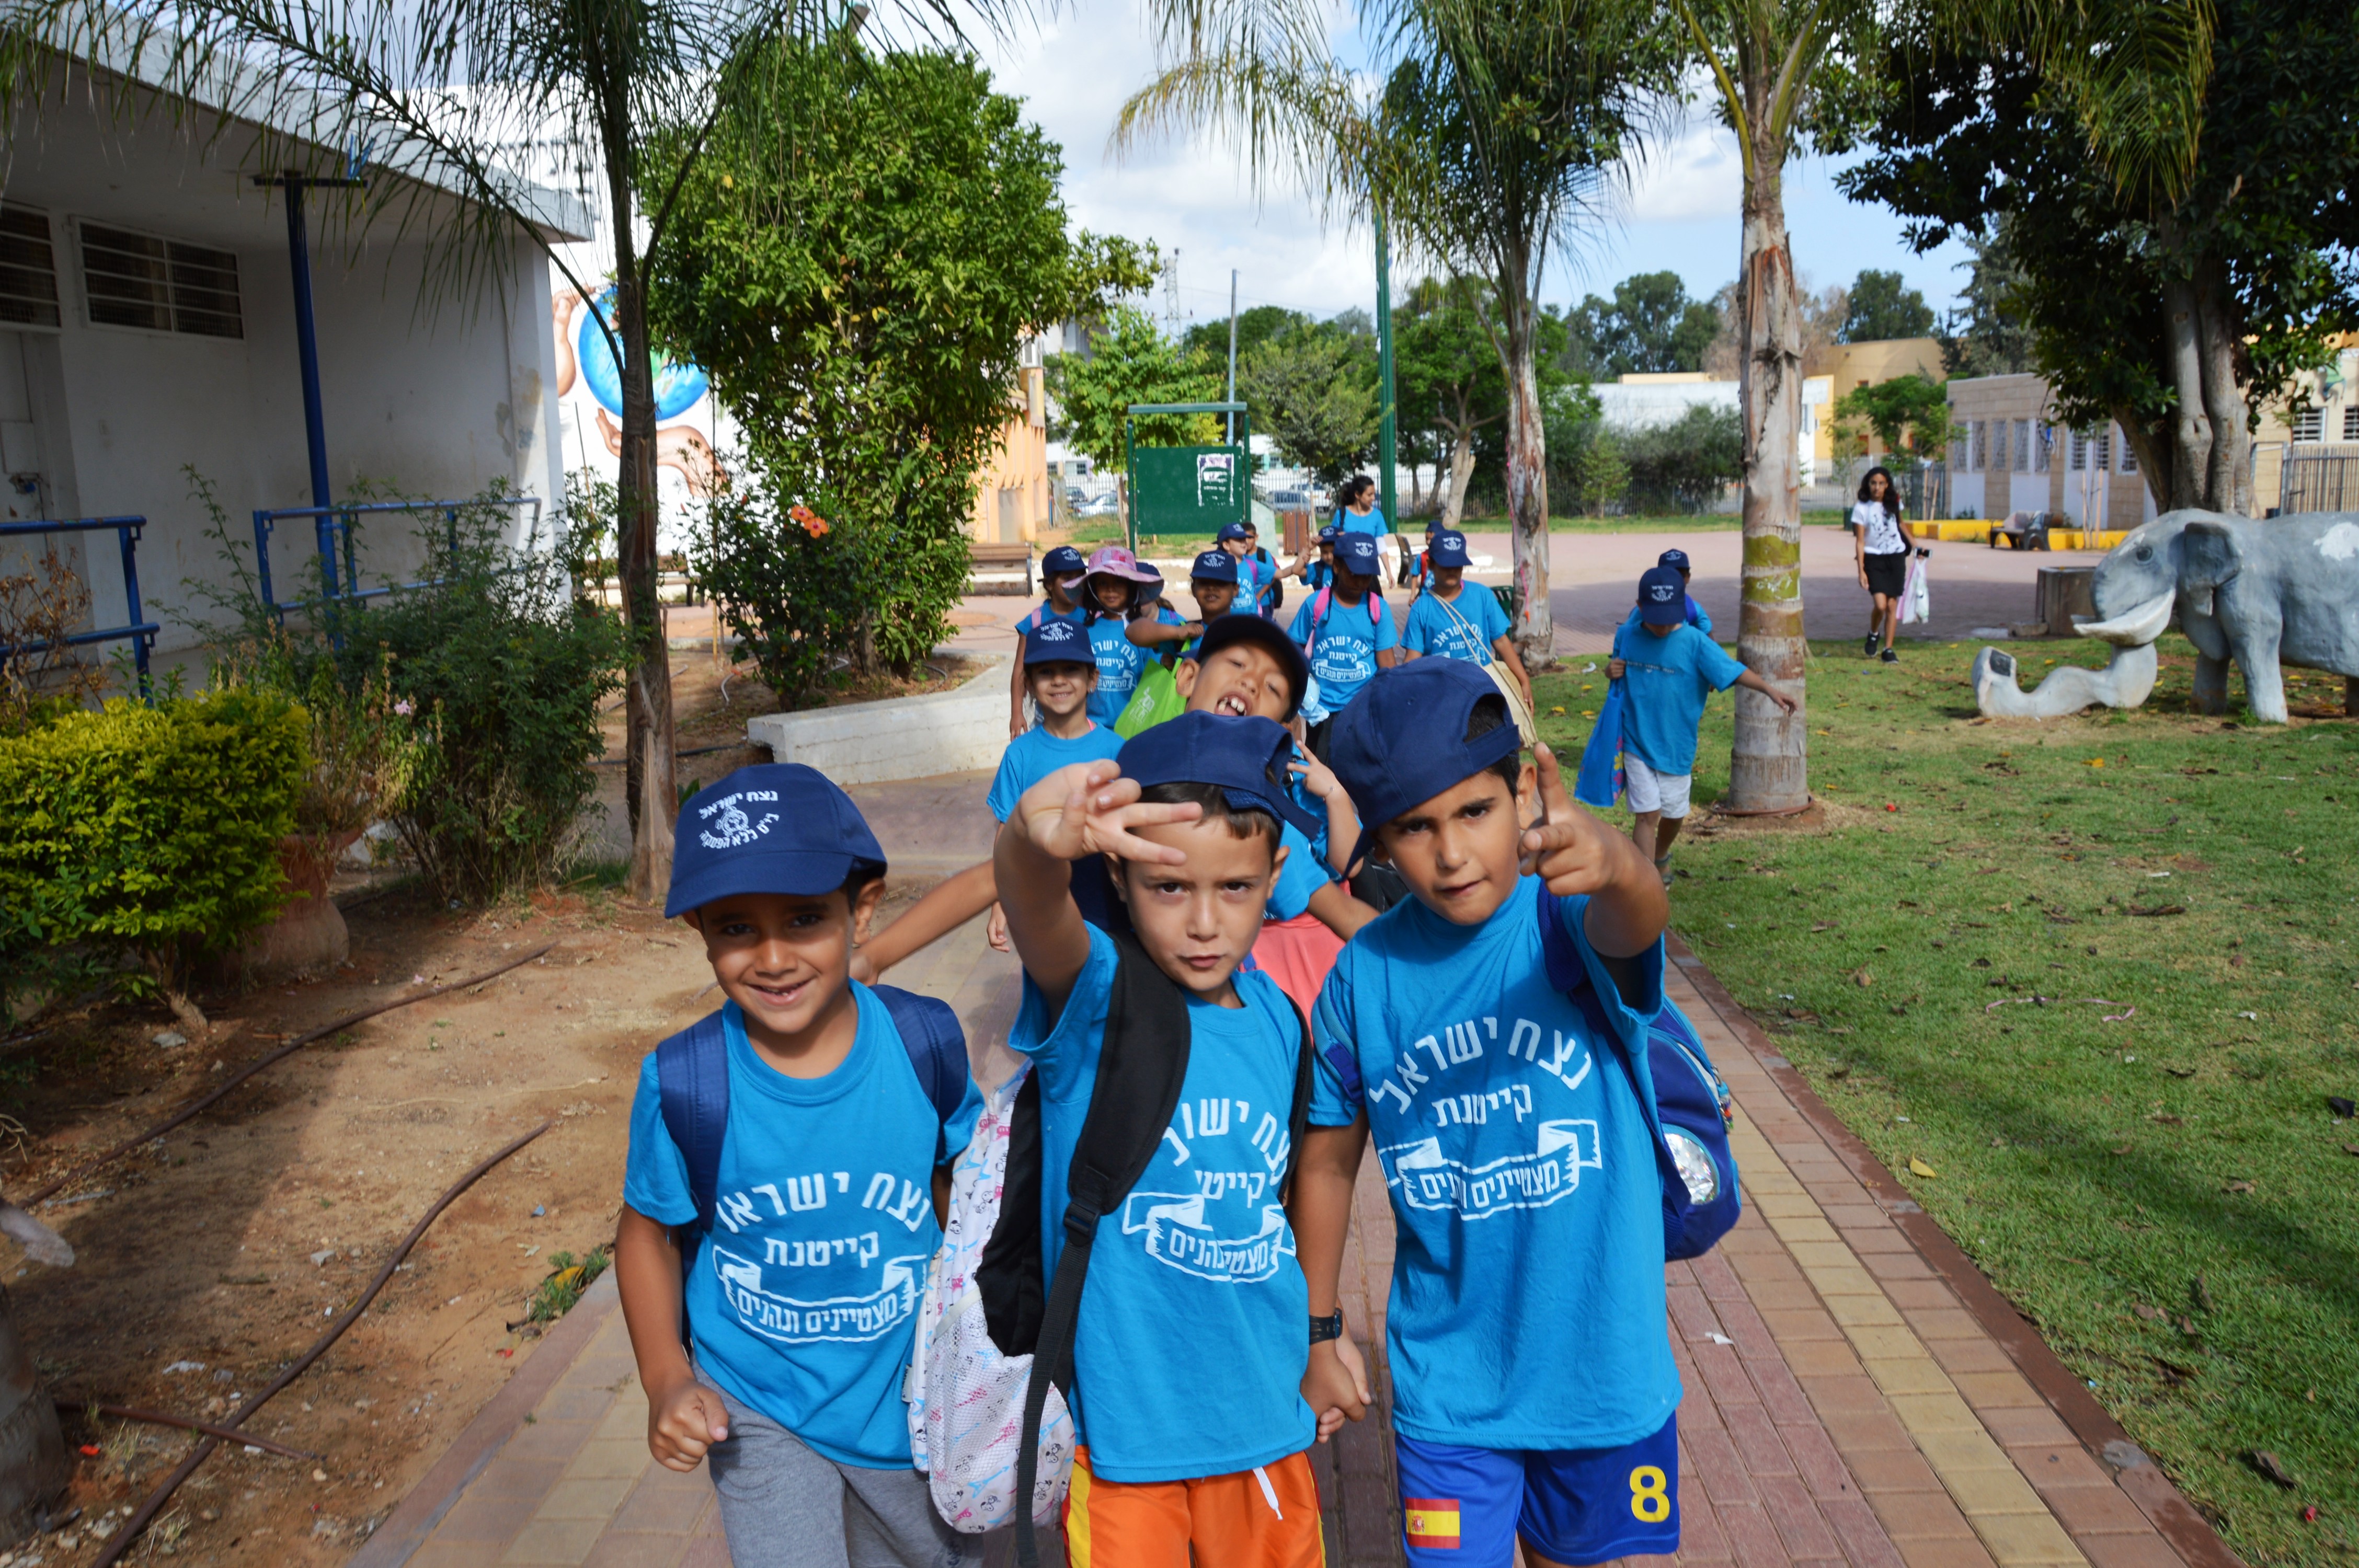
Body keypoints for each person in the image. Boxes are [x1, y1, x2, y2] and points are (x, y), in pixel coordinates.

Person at [1288, 656, 1679, 1568]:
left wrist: (1620, 865)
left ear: (1522, 795)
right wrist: (1317, 1332)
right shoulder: (1363, 978)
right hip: (1449, 1380)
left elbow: (1636, 922)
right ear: (1380, 844)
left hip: (1598, 1370)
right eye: (1415, 828)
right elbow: (1327, 1163)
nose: (1453, 854)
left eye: (1474, 812)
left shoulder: (1565, 922)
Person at [616, 765, 985, 1568]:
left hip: (909, 1393)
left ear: (863, 909)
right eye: (737, 928)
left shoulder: (923, 1043)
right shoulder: (686, 1081)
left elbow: (968, 1187)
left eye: (806, 918)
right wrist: (666, 1378)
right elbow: (646, 1233)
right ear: (701, 930)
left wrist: (995, 1322)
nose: (774, 956)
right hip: (757, 1404)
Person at [993, 713, 1336, 1565]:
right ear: (1119, 873)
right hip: (1124, 1442)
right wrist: (1028, 845)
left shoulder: (1280, 1020)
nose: (1205, 924)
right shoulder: (1095, 997)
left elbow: (1280, 1204)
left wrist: (1319, 1342)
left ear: (1275, 876)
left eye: (1236, 888)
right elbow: (1035, 909)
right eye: (1170, 888)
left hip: (1263, 1423)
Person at [1606, 567, 1800, 886]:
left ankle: (1661, 854)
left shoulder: (1695, 642)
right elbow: (1616, 671)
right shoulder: (1627, 635)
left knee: (1674, 813)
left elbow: (1733, 670)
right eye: (1656, 618)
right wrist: (1610, 670)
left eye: (1670, 618)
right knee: (1647, 814)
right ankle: (1646, 885)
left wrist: (1770, 690)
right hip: (1636, 741)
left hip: (1676, 747)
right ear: (1639, 608)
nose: (1663, 626)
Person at [990, 620, 1126, 822]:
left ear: (1092, 679)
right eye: (1046, 672)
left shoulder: (1117, 749)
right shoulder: (1018, 755)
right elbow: (1006, 834)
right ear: (1029, 684)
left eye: (1071, 669)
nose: (1059, 681)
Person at [1288, 532, 1400, 759]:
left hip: (1362, 711)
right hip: (1321, 712)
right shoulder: (1316, 604)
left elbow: (1387, 664)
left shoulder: (1378, 609)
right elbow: (1293, 652)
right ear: (1337, 568)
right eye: (1354, 573)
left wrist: (1392, 706)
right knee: (1321, 767)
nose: (1361, 581)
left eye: (1367, 575)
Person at [1400, 529, 1533, 708]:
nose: (1452, 570)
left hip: (1483, 692)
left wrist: (1524, 680)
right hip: (1442, 697)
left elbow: (1502, 642)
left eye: (1458, 565)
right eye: (1445, 565)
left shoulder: (1482, 595)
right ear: (1431, 565)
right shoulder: (1421, 609)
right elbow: (1413, 660)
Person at [1010, 544, 1090, 739]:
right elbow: (1019, 671)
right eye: (1067, 579)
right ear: (1049, 584)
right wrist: (1017, 713)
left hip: (1085, 717)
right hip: (1045, 717)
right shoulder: (1034, 621)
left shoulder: (1091, 618)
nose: (1074, 584)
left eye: (1079, 578)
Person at [1078, 545, 1155, 726]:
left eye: (1119, 582)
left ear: (1131, 587)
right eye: (1103, 583)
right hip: (1091, 727)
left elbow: (1152, 682)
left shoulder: (1145, 632)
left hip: (1133, 726)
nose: (1111, 590)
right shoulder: (1084, 632)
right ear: (1093, 589)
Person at [1129, 548, 1241, 662]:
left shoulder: (1246, 631)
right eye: (1204, 583)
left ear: (1235, 590)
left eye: (1220, 583)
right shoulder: (1186, 632)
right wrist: (1177, 633)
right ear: (1193, 589)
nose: (1211, 588)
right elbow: (1132, 632)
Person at [1851, 467, 1910, 662]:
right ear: (1868, 485)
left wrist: (1917, 546)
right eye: (1873, 483)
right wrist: (1861, 571)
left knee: (1892, 605)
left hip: (1896, 557)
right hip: (1874, 559)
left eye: (1881, 483)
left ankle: (1888, 649)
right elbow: (1860, 541)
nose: (1877, 487)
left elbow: (1901, 525)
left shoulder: (1894, 503)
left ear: (1887, 485)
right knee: (1881, 604)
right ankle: (1874, 632)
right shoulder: (1862, 508)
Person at [1617, 549, 1710, 635]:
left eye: (1680, 574)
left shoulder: (1694, 609)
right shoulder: (1643, 610)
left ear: (1688, 577)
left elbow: (1709, 639)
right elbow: (1625, 635)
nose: (1676, 579)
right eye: (1670, 575)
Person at [1217, 521, 1276, 617]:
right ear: (1226, 545)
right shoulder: (1217, 568)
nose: (1245, 543)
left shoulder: (1253, 562)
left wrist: (1259, 596)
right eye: (1239, 539)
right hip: (1228, 620)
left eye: (1246, 539)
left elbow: (1278, 574)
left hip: (1260, 608)